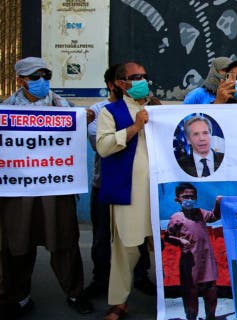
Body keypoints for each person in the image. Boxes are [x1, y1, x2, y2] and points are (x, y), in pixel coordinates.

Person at [1, 57, 93, 315]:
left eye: (44, 76)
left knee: (64, 239)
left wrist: (86, 117)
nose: (41, 81)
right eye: (34, 77)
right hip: (19, 190)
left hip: (55, 188)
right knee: (18, 242)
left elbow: (85, 129)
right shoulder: (6, 109)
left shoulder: (63, 106)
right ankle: (19, 296)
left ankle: (75, 294)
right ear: (21, 80)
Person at [97, 61, 160, 320]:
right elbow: (103, 147)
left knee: (163, 246)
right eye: (136, 77)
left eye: (145, 76)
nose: (142, 80)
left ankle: (174, 299)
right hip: (129, 192)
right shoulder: (110, 112)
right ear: (122, 84)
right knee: (126, 249)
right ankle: (118, 303)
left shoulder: (157, 109)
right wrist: (134, 128)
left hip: (159, 193)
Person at [165, 183, 221, 320]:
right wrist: (180, 241)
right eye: (185, 197)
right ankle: (191, 316)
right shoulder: (176, 218)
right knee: (190, 292)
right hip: (190, 261)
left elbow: (214, 216)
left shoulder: (200, 213)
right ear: (177, 199)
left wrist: (218, 203)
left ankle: (210, 316)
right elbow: (168, 237)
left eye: (192, 196)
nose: (189, 199)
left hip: (206, 259)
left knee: (211, 290)